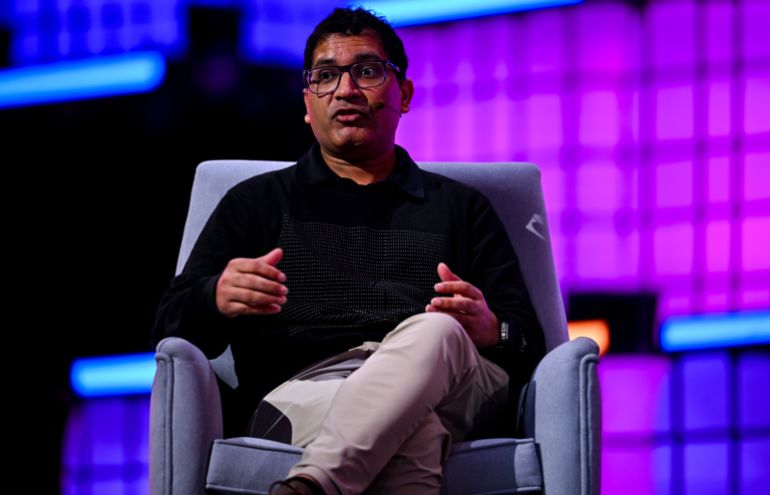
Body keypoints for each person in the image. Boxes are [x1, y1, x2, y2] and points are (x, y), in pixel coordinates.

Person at [152, 7, 545, 495]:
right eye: (325, 76)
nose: (346, 90)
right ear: (306, 101)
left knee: (437, 331)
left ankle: (312, 485)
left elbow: (532, 339)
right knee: (413, 429)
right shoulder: (256, 202)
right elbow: (169, 326)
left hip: (450, 379)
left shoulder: (462, 208)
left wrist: (492, 328)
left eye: (367, 71)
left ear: (403, 94)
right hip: (303, 394)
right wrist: (215, 296)